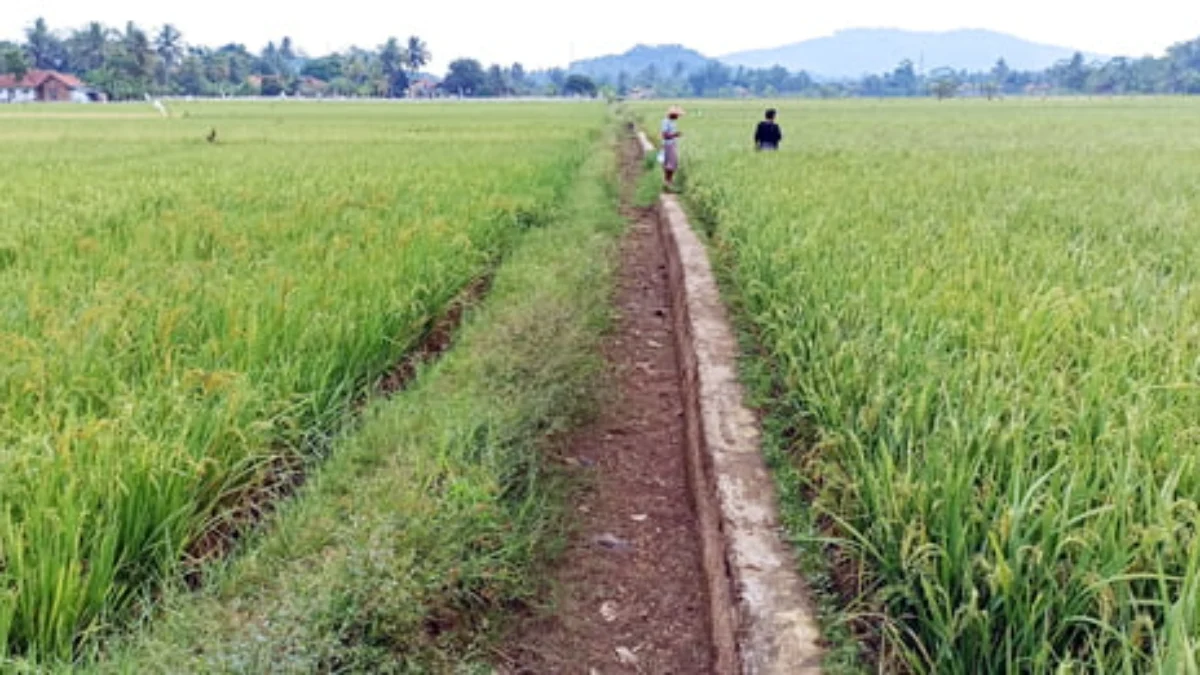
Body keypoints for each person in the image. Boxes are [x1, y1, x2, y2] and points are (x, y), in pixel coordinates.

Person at [661, 106, 684, 189]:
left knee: (673, 163)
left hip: (673, 144)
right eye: (677, 115)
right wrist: (675, 135)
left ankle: (669, 181)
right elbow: (664, 135)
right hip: (668, 145)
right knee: (670, 164)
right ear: (672, 114)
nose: (678, 117)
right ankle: (667, 181)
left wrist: (676, 135)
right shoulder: (665, 122)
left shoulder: (673, 122)